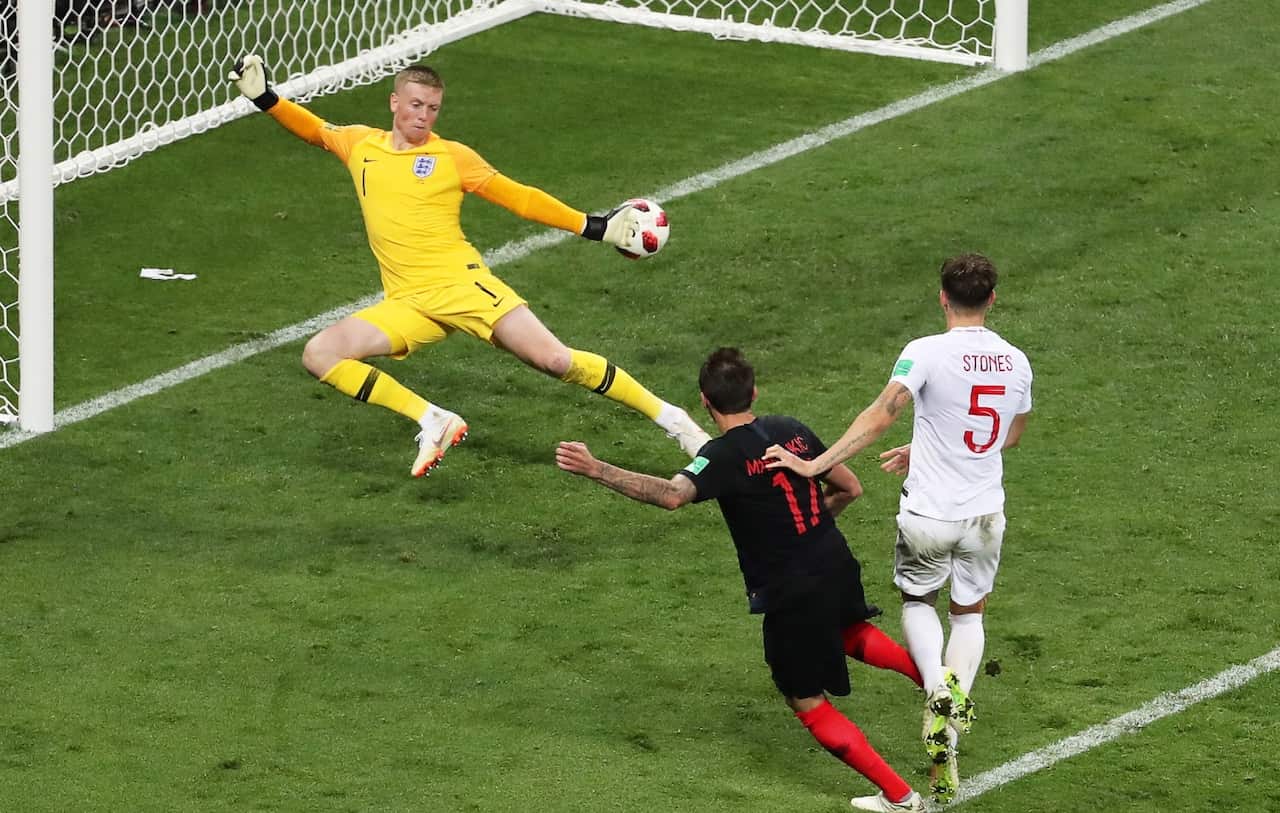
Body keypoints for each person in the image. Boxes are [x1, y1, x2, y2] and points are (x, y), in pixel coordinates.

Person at [227, 55, 710, 476]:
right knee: (320, 354)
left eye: (433, 108)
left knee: (555, 361)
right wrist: (266, 99)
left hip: (462, 287)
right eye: (416, 105)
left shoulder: (451, 157)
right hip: (408, 302)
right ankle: (432, 419)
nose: (423, 116)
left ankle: (675, 421)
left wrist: (593, 226)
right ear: (394, 103)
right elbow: (316, 130)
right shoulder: (360, 145)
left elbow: (519, 197)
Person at [557, 347, 928, 813]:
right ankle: (936, 683)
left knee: (806, 699)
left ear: (705, 401)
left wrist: (597, 468)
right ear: (754, 393)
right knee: (848, 629)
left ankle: (901, 797)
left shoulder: (720, 456)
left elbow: (672, 495)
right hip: (833, 559)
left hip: (790, 588)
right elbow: (849, 487)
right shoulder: (791, 430)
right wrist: (806, 528)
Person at [764, 253, 1032, 803]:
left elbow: (882, 413)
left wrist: (815, 465)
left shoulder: (925, 351)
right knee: (969, 613)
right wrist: (930, 445)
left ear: (942, 298)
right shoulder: (1016, 361)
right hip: (986, 514)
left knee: (917, 602)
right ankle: (946, 737)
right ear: (992, 299)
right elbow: (1008, 435)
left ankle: (937, 687)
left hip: (929, 513)